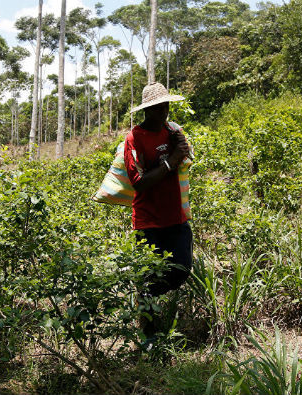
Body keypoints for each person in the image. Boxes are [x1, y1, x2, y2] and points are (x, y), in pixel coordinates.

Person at [123, 82, 193, 342]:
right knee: (150, 276)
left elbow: (186, 160)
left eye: (166, 105)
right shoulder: (135, 138)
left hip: (176, 216)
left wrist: (181, 150)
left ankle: (146, 298)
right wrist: (171, 160)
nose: (164, 110)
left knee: (182, 269)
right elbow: (138, 182)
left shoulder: (173, 131)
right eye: (158, 106)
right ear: (147, 110)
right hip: (148, 222)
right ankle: (150, 337)